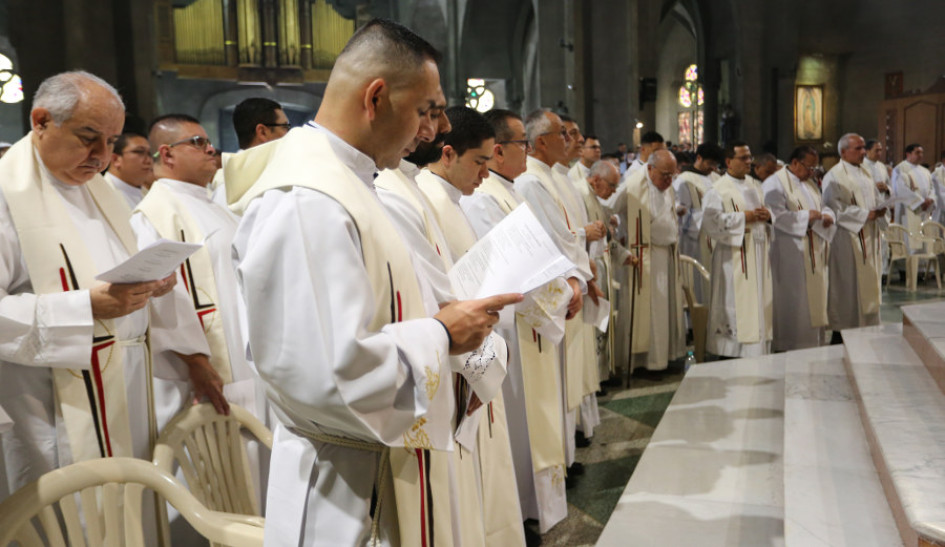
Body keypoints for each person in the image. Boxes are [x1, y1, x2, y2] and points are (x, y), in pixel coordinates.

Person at [226, 19, 521, 546]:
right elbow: (325, 372)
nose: (435, 131)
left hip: (385, 462)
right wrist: (441, 336)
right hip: (347, 490)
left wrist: (460, 362)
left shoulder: (359, 185)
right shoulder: (308, 200)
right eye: (428, 111)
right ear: (376, 97)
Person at [0, 71, 210, 501]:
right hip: (53, 405)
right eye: (88, 137)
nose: (100, 156)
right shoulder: (7, 194)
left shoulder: (100, 194)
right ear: (41, 121)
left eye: (111, 141)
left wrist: (154, 284)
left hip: (129, 390)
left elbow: (118, 276)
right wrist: (84, 309)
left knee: (132, 510)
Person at [461, 108, 570, 536]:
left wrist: (564, 286)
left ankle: (538, 504)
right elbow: (509, 268)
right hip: (512, 324)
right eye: (522, 142)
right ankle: (528, 505)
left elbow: (540, 251)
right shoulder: (486, 197)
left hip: (528, 318)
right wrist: (560, 294)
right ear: (499, 148)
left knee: (536, 416)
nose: (528, 150)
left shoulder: (509, 191)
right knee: (525, 420)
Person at [515, 108, 595, 470]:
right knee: (555, 380)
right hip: (555, 289)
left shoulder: (549, 176)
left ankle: (566, 453)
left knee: (566, 377)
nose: (570, 140)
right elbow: (552, 241)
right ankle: (560, 458)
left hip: (570, 283)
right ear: (541, 141)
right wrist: (575, 278)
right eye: (563, 133)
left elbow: (565, 234)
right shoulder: (532, 181)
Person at [703, 141, 773, 358]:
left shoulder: (755, 185)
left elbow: (766, 213)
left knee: (757, 302)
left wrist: (768, 216)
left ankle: (757, 348)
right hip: (734, 258)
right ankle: (731, 351)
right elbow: (711, 223)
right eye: (743, 158)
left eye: (749, 157)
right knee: (735, 303)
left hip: (758, 254)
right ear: (728, 162)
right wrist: (745, 217)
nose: (749, 162)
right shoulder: (717, 190)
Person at [762, 146, 834, 351]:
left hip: (814, 249)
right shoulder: (774, 183)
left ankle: (814, 342)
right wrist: (806, 217)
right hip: (789, 252)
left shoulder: (809, 184)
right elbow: (775, 216)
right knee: (795, 298)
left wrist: (828, 216)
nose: (812, 172)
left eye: (814, 167)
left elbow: (822, 205)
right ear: (794, 163)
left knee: (814, 299)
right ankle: (789, 344)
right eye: (808, 166)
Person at [625, 150, 686, 374]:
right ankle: (648, 362)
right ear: (650, 169)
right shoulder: (632, 186)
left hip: (668, 256)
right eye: (664, 175)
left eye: (672, 175)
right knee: (652, 311)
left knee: (667, 310)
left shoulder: (667, 186)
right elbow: (613, 209)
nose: (668, 181)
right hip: (646, 257)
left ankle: (668, 356)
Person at [823, 133, 886, 333]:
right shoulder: (834, 176)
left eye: (863, 148)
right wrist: (866, 214)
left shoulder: (866, 172)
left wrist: (881, 208)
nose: (863, 152)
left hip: (869, 236)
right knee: (848, 286)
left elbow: (875, 199)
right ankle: (843, 329)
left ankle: (869, 326)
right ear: (843, 152)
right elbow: (834, 208)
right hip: (848, 238)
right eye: (858, 148)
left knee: (870, 282)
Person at [211, 97, 290, 207]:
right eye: (285, 127)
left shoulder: (272, 172)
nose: (290, 135)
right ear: (262, 132)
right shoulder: (228, 188)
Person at [674, 142, 724, 276]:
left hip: (717, 236)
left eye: (716, 164)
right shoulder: (684, 180)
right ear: (699, 158)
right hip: (695, 239)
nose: (713, 168)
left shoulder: (717, 178)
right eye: (710, 163)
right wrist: (708, 216)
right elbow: (681, 213)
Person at [892, 143, 934, 247]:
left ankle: (924, 262)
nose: (920, 155)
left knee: (925, 240)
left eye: (922, 152)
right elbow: (901, 190)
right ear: (908, 154)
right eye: (917, 152)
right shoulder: (900, 169)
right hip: (909, 210)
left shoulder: (925, 171)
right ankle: (910, 262)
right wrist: (920, 202)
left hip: (925, 210)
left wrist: (930, 199)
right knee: (911, 241)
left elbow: (932, 188)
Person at [105, 131, 153, 208]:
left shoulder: (151, 195)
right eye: (139, 152)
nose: (148, 160)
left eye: (150, 154)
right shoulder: (100, 192)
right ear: (115, 159)